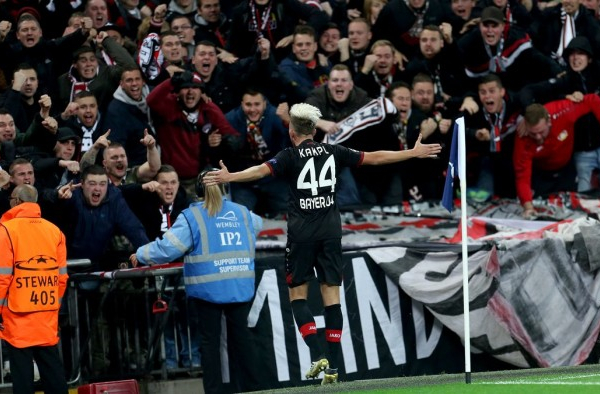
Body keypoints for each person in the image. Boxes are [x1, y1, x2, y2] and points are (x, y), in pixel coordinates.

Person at [202, 103, 441, 385]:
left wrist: (231, 176)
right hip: (330, 234)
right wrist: (411, 153)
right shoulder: (334, 151)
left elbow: (260, 171)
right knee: (332, 298)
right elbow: (374, 157)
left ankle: (318, 356)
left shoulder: (288, 156)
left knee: (298, 297)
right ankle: (334, 368)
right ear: (314, 130)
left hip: (302, 235)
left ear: (292, 131)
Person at [130, 169, 263, 394]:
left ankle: (214, 392)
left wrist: (140, 254)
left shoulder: (192, 217)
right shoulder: (243, 213)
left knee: (210, 346)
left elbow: (168, 248)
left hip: (208, 290)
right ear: (224, 187)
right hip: (239, 287)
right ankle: (255, 391)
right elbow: (258, 226)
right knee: (243, 342)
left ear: (198, 189)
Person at [0, 184, 69, 394]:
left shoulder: (6, 231)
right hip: (46, 312)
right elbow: (62, 277)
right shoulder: (55, 231)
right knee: (53, 372)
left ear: (17, 202)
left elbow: (2, 278)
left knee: (23, 377)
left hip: (17, 314)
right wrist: (53, 306)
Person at [515, 95, 600, 219]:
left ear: (549, 121)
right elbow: (522, 176)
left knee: (578, 213)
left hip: (567, 169)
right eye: (533, 133)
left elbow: (592, 100)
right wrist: (528, 207)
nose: (538, 137)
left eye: (541, 132)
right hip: (541, 176)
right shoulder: (522, 137)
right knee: (543, 214)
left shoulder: (563, 111)